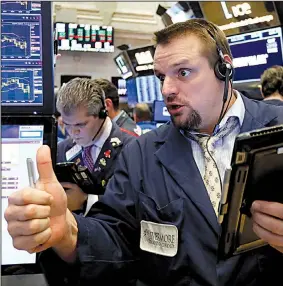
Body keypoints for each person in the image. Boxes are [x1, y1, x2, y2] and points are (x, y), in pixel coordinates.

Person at [5, 19, 283, 286]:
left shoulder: (278, 125)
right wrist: (68, 231)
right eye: (161, 76)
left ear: (224, 68)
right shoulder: (141, 154)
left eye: (183, 72)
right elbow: (115, 239)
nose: (167, 89)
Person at [56, 78, 136, 215]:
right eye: (67, 124)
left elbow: (135, 205)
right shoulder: (62, 149)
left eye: (80, 125)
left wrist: (86, 201)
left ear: (102, 113)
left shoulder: (132, 148)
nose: (73, 132)